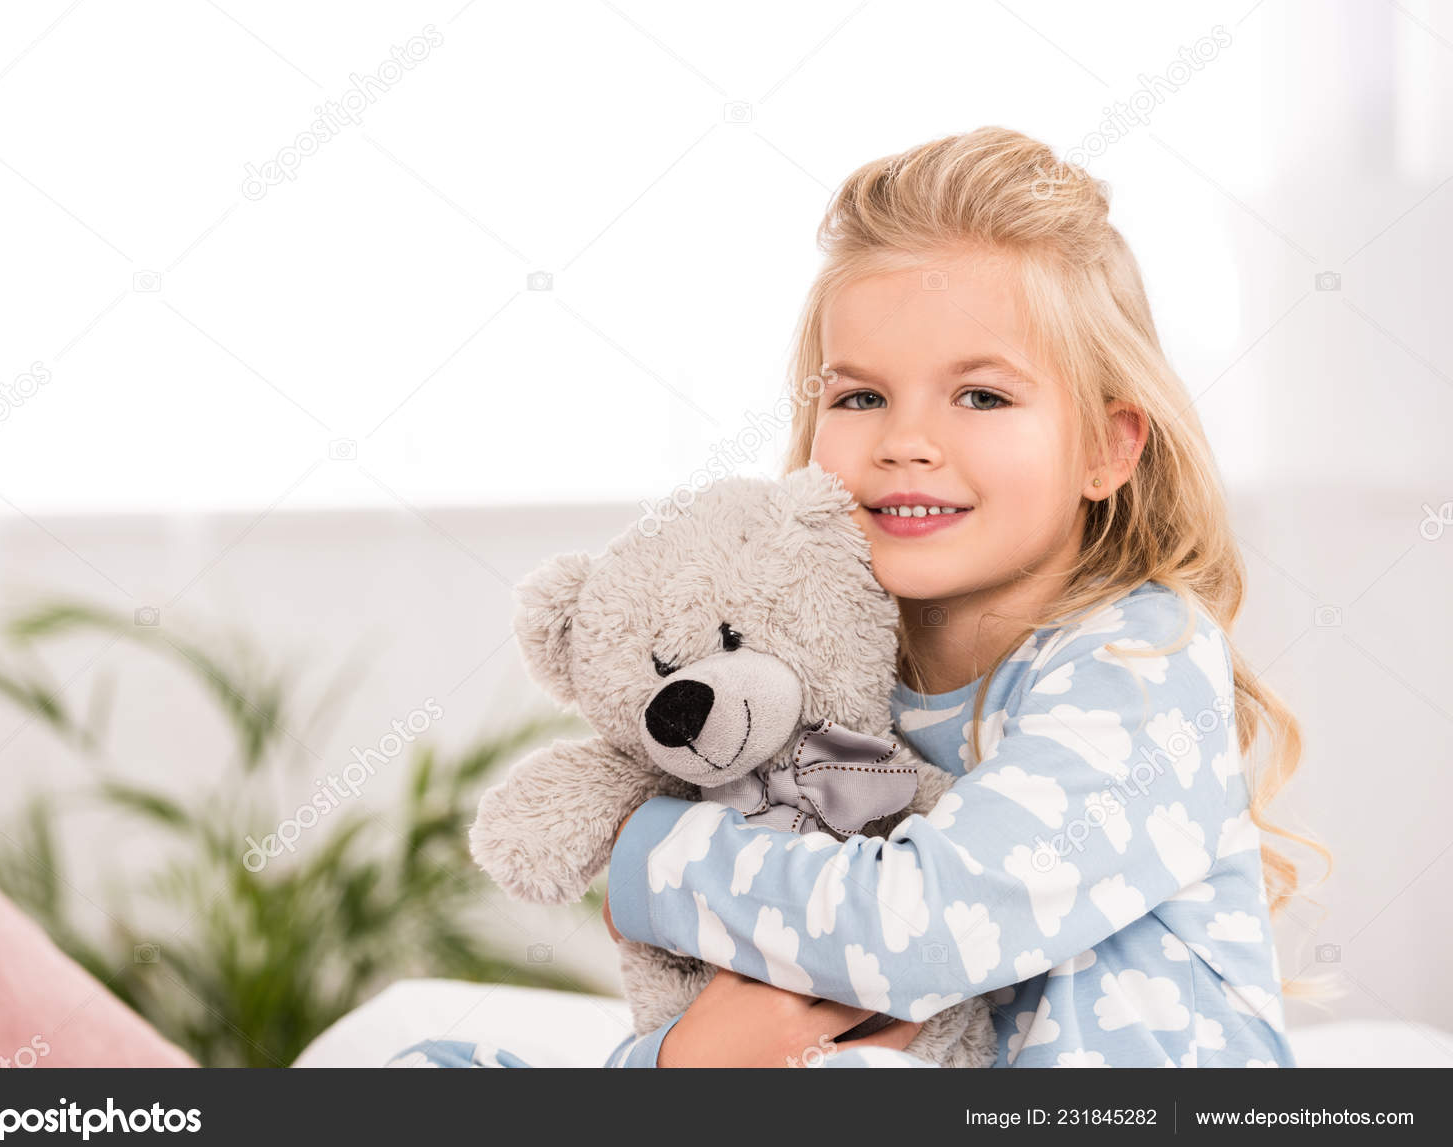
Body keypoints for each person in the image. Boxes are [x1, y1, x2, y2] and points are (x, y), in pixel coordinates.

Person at [392, 125, 1327, 1069]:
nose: (906, 440)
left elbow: (920, 933)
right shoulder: (807, 686)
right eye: (860, 398)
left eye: (983, 397)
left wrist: (648, 853)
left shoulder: (1140, 661)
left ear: (1107, 448)